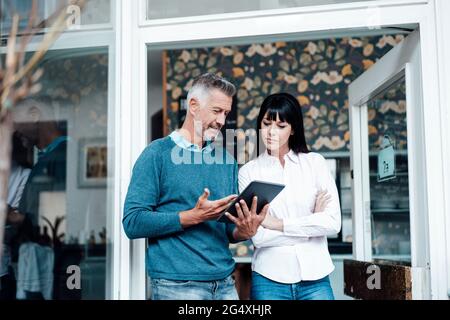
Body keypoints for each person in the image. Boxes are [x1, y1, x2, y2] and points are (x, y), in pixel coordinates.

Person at [123, 73, 268, 300]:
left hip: (225, 283)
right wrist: (193, 216)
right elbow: (132, 222)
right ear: (193, 105)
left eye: (226, 113)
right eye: (216, 111)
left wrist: (245, 230)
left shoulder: (226, 160)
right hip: (176, 286)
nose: (222, 120)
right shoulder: (156, 154)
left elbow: (227, 230)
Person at [239, 93, 341, 300]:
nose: (271, 132)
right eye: (266, 123)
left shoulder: (315, 163)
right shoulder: (249, 172)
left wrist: (276, 224)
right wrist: (311, 226)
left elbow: (332, 223)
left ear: (293, 129)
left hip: (315, 276)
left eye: (281, 126)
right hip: (269, 278)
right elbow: (258, 237)